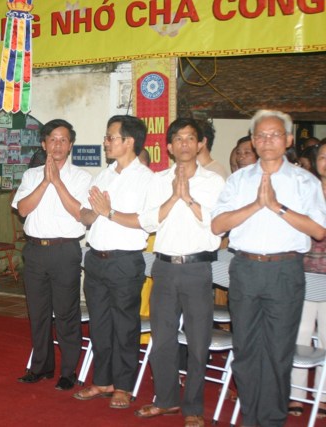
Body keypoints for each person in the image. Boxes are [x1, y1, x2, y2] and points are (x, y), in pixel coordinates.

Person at [211, 110, 326, 427]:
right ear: (252, 140)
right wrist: (255, 205)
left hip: (284, 271)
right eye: (260, 135)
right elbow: (217, 225)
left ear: (288, 139)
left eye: (275, 134)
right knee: (245, 351)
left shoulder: (304, 181)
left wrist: (277, 207)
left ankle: (272, 421)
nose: (267, 140)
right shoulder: (239, 180)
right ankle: (251, 418)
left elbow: (318, 230)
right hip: (245, 269)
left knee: (277, 352)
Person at [135, 118, 224, 427]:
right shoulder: (158, 180)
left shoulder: (214, 182)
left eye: (190, 138)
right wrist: (174, 196)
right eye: (178, 139)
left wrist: (188, 198)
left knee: (198, 342)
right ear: (169, 147)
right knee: (162, 338)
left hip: (197, 268)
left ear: (200, 144)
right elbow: (148, 222)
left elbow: (216, 227)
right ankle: (166, 400)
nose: (184, 144)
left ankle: (194, 407)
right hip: (164, 267)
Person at [73, 115, 153, 408]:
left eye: (111, 137)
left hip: (124, 261)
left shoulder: (147, 179)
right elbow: (85, 216)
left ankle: (124, 386)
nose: (105, 142)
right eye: (107, 137)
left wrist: (108, 212)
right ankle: (103, 380)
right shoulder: (103, 175)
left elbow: (147, 222)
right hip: (95, 259)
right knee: (100, 325)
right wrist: (95, 212)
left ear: (129, 142)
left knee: (125, 326)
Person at [12, 119, 91, 391]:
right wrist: (45, 182)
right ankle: (41, 367)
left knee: (66, 313)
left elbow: (80, 213)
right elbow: (22, 209)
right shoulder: (31, 176)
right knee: (38, 313)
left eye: (63, 140)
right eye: (52, 140)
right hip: (35, 251)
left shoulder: (81, 177)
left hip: (64, 250)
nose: (57, 145)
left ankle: (68, 371)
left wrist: (57, 182)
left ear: (70, 145)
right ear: (44, 144)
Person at [289, 142, 326, 417]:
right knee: (299, 334)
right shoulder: (306, 189)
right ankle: (296, 394)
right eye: (323, 156)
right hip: (303, 271)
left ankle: (323, 396)